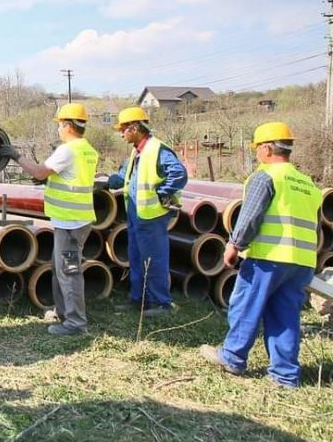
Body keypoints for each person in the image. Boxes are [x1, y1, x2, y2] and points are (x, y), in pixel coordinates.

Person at [199, 122, 322, 388]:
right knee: (285, 316)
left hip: (269, 258)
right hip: (301, 262)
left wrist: (234, 245)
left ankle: (232, 357)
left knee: (246, 305)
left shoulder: (266, 176)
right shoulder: (307, 183)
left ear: (267, 148)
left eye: (257, 148)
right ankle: (285, 374)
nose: (256, 153)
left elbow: (250, 216)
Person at [0, 103, 99, 336]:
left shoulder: (68, 150)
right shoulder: (88, 150)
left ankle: (75, 323)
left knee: (69, 271)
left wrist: (16, 156)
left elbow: (38, 171)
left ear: (67, 125)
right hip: (77, 220)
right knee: (60, 268)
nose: (58, 130)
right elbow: (68, 178)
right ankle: (62, 312)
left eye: (59, 125)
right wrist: (48, 180)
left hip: (71, 223)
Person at [106, 106, 188, 316]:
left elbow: (179, 174)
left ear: (134, 128)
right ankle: (139, 300)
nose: (121, 133)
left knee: (154, 260)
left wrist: (162, 192)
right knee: (136, 258)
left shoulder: (157, 150)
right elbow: (123, 177)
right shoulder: (137, 152)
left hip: (152, 216)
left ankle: (161, 304)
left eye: (123, 129)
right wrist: (106, 182)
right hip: (136, 215)